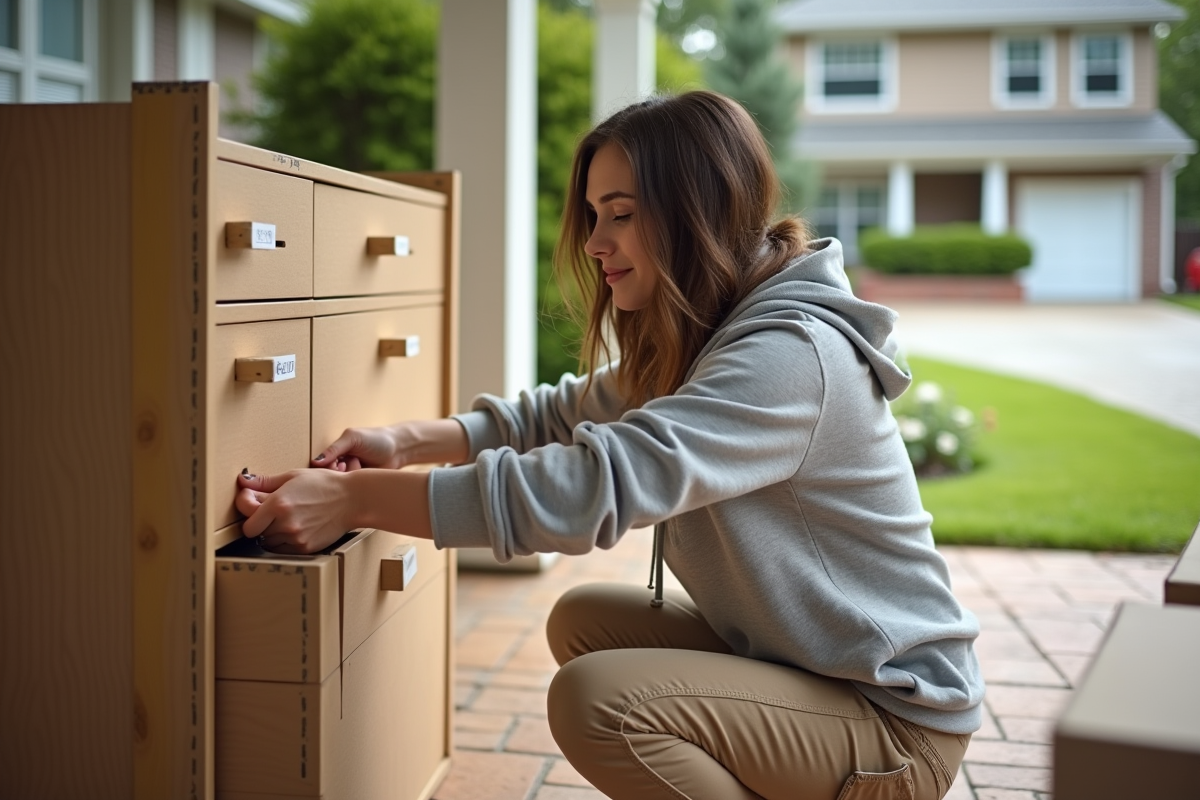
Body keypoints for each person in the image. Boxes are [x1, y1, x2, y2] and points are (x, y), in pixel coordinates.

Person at [236, 90, 983, 800]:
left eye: (619, 215)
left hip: (892, 719)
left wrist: (353, 499)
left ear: (697, 212)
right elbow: (563, 415)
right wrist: (399, 443)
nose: (594, 243)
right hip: (813, 664)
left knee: (600, 702)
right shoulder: (712, 333)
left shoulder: (789, 356)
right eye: (595, 215)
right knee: (583, 622)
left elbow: (593, 488)